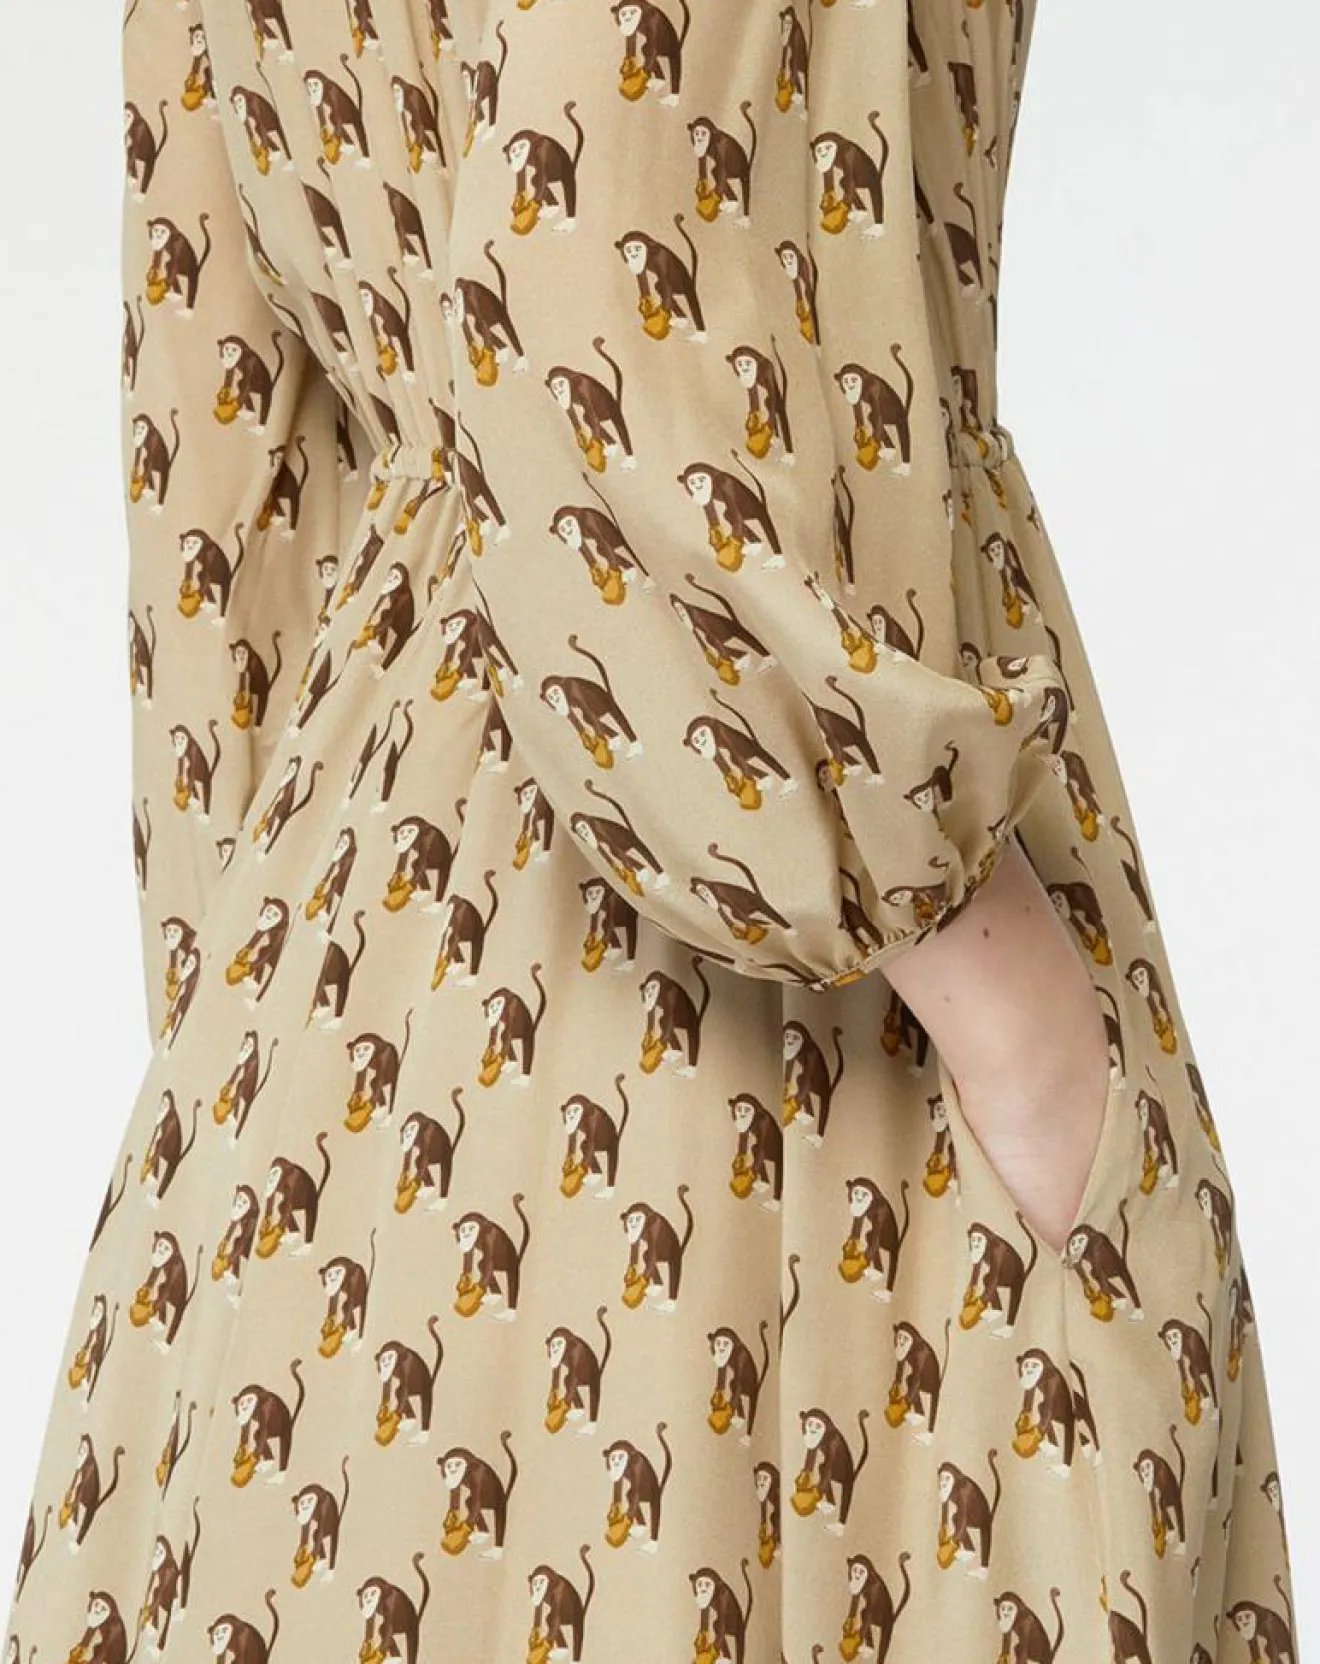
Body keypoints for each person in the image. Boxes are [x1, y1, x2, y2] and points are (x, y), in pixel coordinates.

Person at [4, 0, 1297, 1659]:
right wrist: (991, 988)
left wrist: (253, 1097)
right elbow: (582, 297)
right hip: (767, 1089)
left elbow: (220, 515)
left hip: (320, 1087)